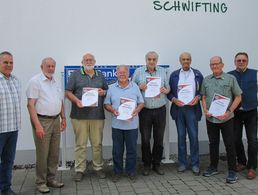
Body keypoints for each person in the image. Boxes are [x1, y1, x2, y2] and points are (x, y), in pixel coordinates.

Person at [65, 53, 108, 182]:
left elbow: (106, 90)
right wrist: (76, 101)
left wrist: (103, 92)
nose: (89, 61)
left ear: (95, 61)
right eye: (86, 60)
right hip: (79, 116)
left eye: (91, 60)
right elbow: (67, 92)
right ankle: (79, 170)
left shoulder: (100, 75)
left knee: (97, 144)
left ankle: (98, 168)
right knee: (80, 144)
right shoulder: (75, 74)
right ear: (82, 62)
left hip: (97, 116)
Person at [26, 57, 66, 193]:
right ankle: (41, 182)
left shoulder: (56, 81)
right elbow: (30, 105)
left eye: (53, 66)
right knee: (43, 153)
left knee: (54, 152)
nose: (51, 69)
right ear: (41, 66)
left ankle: (51, 178)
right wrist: (37, 125)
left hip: (55, 120)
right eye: (48, 66)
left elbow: (60, 101)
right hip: (42, 120)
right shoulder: (35, 82)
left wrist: (63, 118)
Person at [201, 56, 242, 184]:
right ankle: (213, 167)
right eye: (212, 64)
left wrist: (229, 112)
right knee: (213, 143)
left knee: (229, 144)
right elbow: (203, 96)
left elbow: (238, 97)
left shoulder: (231, 79)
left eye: (217, 64)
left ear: (222, 65)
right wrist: (205, 110)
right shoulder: (206, 80)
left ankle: (232, 171)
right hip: (211, 118)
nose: (214, 66)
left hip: (227, 119)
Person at [132, 51, 170, 176]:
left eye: (154, 59)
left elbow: (168, 88)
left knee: (159, 139)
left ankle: (157, 164)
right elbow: (132, 88)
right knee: (145, 139)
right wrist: (139, 86)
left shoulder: (163, 71)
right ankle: (147, 164)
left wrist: (166, 90)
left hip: (160, 109)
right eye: (149, 59)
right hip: (145, 110)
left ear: (157, 61)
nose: (152, 61)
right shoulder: (138, 72)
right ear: (146, 60)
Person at [104, 65, 144, 182]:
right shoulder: (111, 88)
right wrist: (113, 110)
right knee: (117, 150)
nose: (122, 74)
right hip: (117, 125)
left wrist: (137, 110)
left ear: (128, 74)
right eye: (120, 72)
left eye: (124, 72)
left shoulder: (135, 87)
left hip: (132, 125)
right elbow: (106, 104)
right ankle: (117, 172)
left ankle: (131, 172)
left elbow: (141, 102)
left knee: (131, 150)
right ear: (116, 74)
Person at [167, 52, 203, 175]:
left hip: (192, 109)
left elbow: (202, 91)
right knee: (181, 137)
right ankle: (182, 163)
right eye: (183, 59)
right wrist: (174, 100)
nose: (186, 61)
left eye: (188, 59)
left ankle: (195, 164)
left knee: (193, 137)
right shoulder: (174, 75)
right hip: (179, 109)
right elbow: (169, 92)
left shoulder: (197, 74)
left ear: (191, 60)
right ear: (180, 61)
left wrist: (198, 97)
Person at [228, 52, 258, 179]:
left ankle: (252, 167)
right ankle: (241, 162)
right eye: (238, 60)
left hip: (251, 112)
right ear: (235, 62)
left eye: (243, 60)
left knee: (252, 140)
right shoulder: (229, 75)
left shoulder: (255, 73)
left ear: (247, 61)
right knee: (235, 139)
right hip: (236, 113)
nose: (241, 62)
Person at [0, 51, 21, 195]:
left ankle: (6, 188)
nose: (9, 65)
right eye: (5, 62)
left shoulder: (15, 80)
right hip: (0, 129)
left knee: (8, 161)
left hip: (13, 128)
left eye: (11, 62)